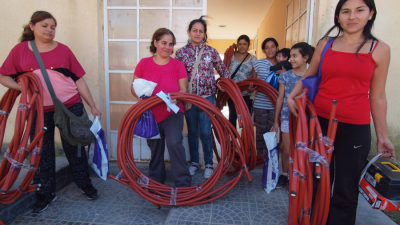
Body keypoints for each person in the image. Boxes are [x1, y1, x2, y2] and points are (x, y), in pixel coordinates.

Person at [286, 1, 395, 224]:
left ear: (370, 14)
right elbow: (308, 76)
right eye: (346, 11)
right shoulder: (326, 44)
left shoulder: (380, 49)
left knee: (346, 188)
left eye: (359, 10)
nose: (352, 16)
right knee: (316, 181)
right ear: (338, 17)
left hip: (354, 128)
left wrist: (383, 136)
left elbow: (378, 96)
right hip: (319, 124)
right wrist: (290, 96)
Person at [0, 11, 101, 213]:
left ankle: (84, 184)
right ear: (32, 27)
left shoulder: (64, 50)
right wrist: (24, 88)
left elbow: (78, 79)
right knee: (42, 152)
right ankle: (46, 193)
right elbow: (4, 76)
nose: (49, 30)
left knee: (75, 147)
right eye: (44, 26)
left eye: (53, 27)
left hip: (70, 107)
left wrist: (92, 105)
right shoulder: (20, 51)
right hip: (37, 110)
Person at [130, 28, 191, 187]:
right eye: (164, 43)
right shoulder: (144, 63)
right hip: (150, 115)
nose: (167, 47)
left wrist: (176, 98)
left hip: (172, 113)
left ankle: (183, 183)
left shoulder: (178, 65)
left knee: (174, 143)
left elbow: (183, 90)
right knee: (155, 149)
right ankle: (156, 181)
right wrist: (141, 98)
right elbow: (134, 87)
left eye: (171, 44)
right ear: (155, 42)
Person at [175, 16, 230, 178]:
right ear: (189, 32)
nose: (198, 34)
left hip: (207, 98)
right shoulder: (181, 53)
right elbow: (175, 75)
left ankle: (208, 164)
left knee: (206, 132)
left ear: (205, 34)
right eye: (195, 31)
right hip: (189, 99)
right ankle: (193, 162)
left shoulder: (211, 52)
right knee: (192, 131)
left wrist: (222, 83)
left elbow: (224, 72)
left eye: (201, 31)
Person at [271, 43, 314, 189]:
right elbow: (280, 99)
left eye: (295, 56)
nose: (292, 59)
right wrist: (276, 121)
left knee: (301, 148)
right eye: (291, 56)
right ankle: (285, 175)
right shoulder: (285, 76)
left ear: (305, 58)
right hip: (286, 118)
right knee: (287, 148)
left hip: (305, 119)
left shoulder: (312, 76)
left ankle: (298, 175)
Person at [247, 38, 279, 156]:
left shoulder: (284, 65)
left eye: (272, 46)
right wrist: (250, 89)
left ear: (277, 48)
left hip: (276, 104)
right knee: (260, 132)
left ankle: (269, 157)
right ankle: (259, 156)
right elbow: (253, 83)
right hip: (260, 103)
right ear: (263, 50)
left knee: (272, 132)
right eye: (267, 47)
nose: (270, 50)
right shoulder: (258, 64)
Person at [227, 35, 257, 129]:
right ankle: (233, 140)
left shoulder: (253, 59)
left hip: (246, 94)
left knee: (245, 119)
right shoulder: (230, 56)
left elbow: (254, 78)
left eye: (245, 44)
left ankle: (245, 141)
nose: (242, 46)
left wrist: (250, 89)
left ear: (248, 45)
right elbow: (224, 71)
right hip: (232, 93)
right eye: (240, 44)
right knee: (232, 116)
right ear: (237, 45)